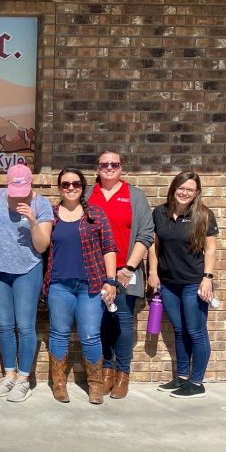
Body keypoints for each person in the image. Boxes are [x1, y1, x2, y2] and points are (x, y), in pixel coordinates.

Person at [42, 169, 117, 405]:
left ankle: (94, 385)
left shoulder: (95, 214)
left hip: (91, 285)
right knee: (58, 334)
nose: (71, 187)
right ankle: (59, 383)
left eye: (75, 183)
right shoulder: (51, 215)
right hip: (59, 285)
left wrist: (111, 280)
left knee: (90, 335)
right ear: (59, 187)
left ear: (82, 186)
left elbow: (109, 247)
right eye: (65, 184)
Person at [85, 150, 154, 399]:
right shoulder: (87, 195)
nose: (109, 167)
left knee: (123, 322)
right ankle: (106, 370)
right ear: (97, 168)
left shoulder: (134, 196)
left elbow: (145, 234)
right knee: (101, 322)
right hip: (95, 272)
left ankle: (123, 373)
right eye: (105, 164)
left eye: (114, 164)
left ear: (121, 167)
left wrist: (128, 268)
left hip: (127, 271)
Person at [0, 164, 53, 403]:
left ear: (31, 184)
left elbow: (42, 246)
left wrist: (33, 221)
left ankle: (24, 379)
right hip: (0, 270)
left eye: (23, 189)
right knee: (4, 325)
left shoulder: (40, 204)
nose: (19, 194)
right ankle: (9, 374)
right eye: (15, 189)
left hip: (28, 270)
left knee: (25, 326)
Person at [149, 171, 219, 399]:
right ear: (174, 188)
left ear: (196, 192)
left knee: (196, 332)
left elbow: (210, 248)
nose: (185, 192)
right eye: (181, 187)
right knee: (180, 331)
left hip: (193, 283)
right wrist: (153, 272)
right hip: (169, 283)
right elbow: (154, 245)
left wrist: (207, 278)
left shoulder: (204, 215)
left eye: (190, 189)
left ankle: (197, 382)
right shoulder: (160, 212)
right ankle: (181, 377)